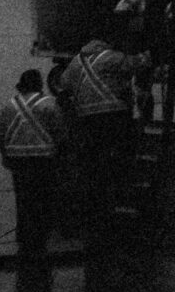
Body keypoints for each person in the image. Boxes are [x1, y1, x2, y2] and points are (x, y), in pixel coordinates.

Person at [57, 30, 135, 242]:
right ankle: (116, 190)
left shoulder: (75, 62)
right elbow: (135, 65)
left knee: (93, 157)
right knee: (116, 154)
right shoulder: (112, 56)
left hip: (87, 117)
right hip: (113, 114)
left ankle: (94, 198)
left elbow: (63, 84)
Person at [0, 67, 67, 265]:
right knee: (42, 198)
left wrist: (5, 156)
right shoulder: (49, 104)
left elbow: (2, 134)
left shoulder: (9, 106)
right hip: (42, 159)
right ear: (39, 85)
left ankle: (24, 236)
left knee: (23, 198)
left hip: (17, 159)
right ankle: (39, 238)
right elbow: (59, 132)